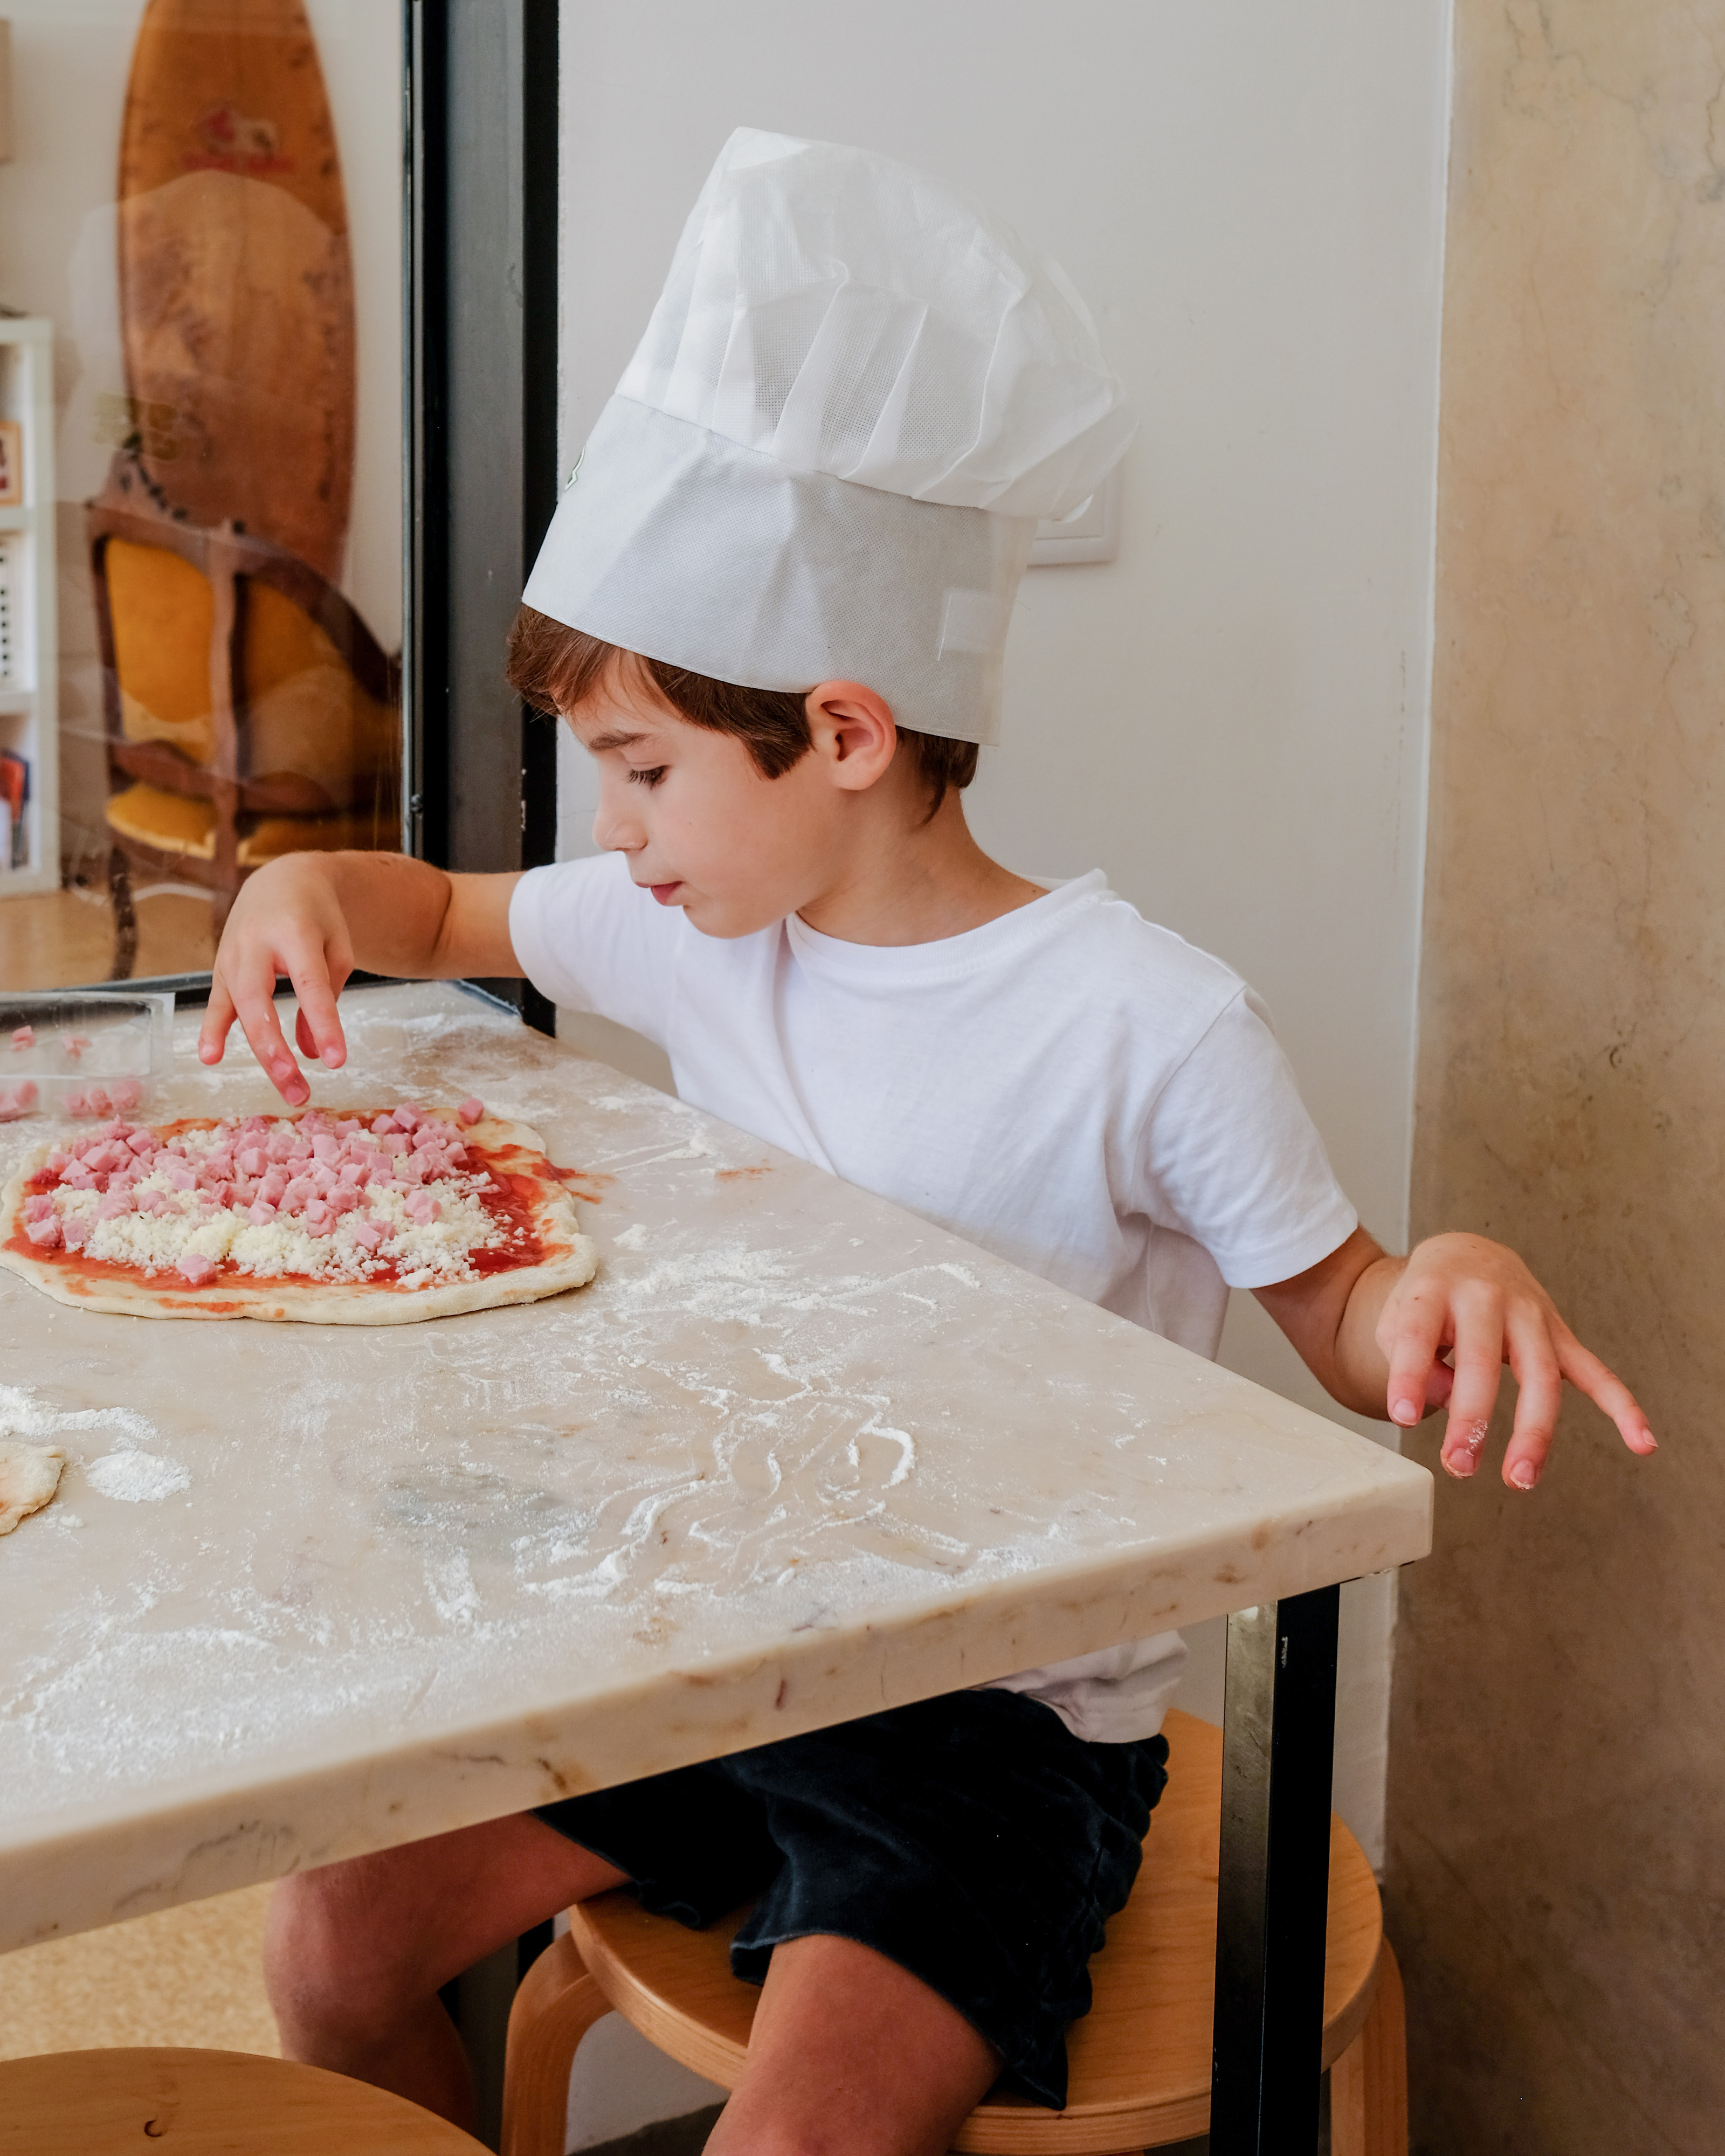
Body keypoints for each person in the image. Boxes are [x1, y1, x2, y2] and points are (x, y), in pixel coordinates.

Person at [201, 131, 1654, 2152]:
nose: (608, 831)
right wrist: (299, 893)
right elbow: (432, 914)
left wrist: (1454, 1282)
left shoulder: (1143, 1024)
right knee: (330, 1946)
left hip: (1003, 1728)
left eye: (640, 770)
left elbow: (1344, 1313)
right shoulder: (701, 923)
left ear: (851, 737)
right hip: (718, 1651)